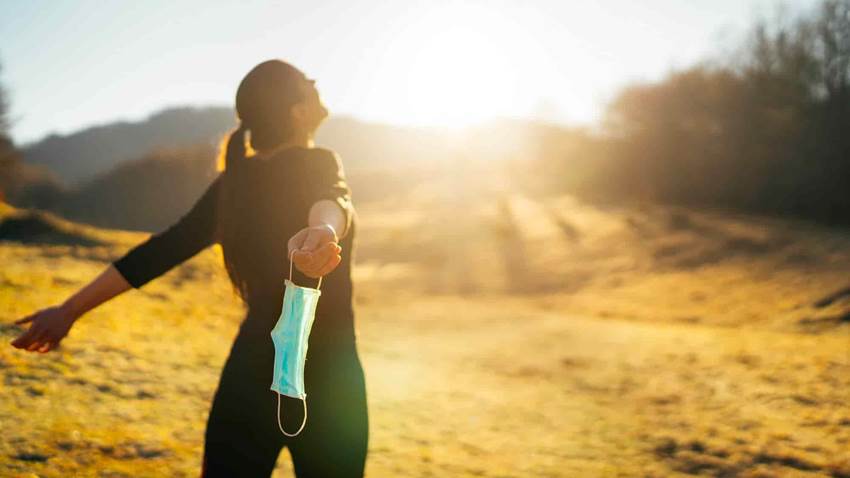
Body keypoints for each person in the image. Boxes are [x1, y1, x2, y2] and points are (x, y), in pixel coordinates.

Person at [9, 59, 369, 477]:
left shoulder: (233, 183)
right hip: (332, 380)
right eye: (308, 82)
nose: (316, 83)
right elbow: (333, 198)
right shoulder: (317, 160)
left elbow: (158, 251)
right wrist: (324, 230)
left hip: (250, 375)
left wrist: (69, 310)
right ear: (297, 111)